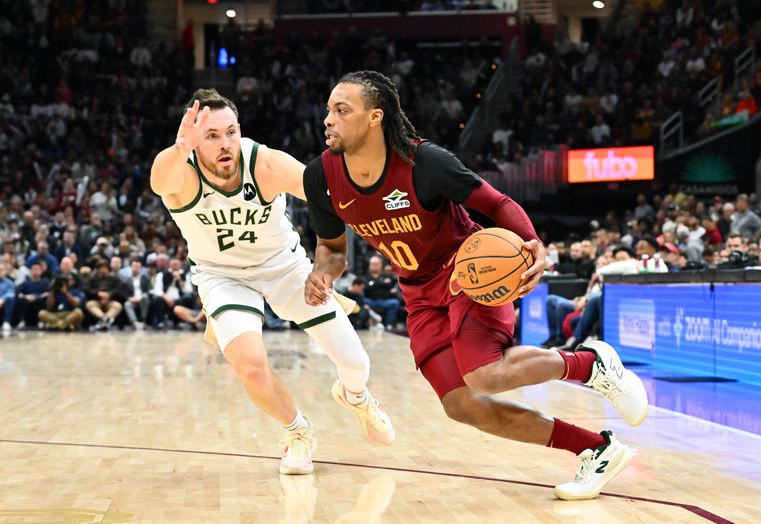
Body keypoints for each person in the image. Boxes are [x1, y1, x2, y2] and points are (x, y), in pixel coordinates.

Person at [303, 71, 648, 501]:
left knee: (484, 374)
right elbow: (331, 247)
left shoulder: (423, 162)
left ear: (375, 117)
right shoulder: (321, 175)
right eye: (329, 110)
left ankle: (590, 364)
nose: (328, 120)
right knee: (461, 404)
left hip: (467, 271)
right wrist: (323, 272)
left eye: (341, 110)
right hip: (417, 289)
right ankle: (597, 450)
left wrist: (533, 243)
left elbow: (496, 203)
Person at [149, 88, 394, 476]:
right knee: (250, 365)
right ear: (194, 141)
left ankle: (357, 396)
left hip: (285, 268)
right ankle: (297, 431)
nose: (225, 144)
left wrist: (324, 265)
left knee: (355, 362)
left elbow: (330, 199)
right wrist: (180, 148)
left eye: (230, 132)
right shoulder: (180, 172)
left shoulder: (265, 163)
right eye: (211, 136)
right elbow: (159, 181)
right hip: (222, 276)